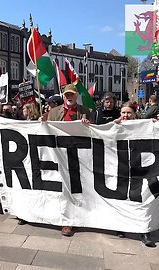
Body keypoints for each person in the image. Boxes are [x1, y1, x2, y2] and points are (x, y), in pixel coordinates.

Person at [47, 84, 95, 237]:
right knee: (61, 187)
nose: (69, 97)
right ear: (63, 96)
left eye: (72, 94)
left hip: (79, 155)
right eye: (67, 94)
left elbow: (94, 133)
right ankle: (63, 219)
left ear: (76, 96)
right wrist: (42, 123)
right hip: (58, 154)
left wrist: (89, 126)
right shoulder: (54, 112)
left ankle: (76, 218)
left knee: (77, 187)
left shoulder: (86, 112)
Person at [114, 101, 156, 247]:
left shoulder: (143, 125)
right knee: (122, 197)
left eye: (129, 113)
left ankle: (144, 231)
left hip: (140, 167)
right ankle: (121, 226)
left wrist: (155, 124)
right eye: (123, 112)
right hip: (121, 168)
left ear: (134, 114)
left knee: (142, 199)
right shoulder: (115, 125)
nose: (125, 115)